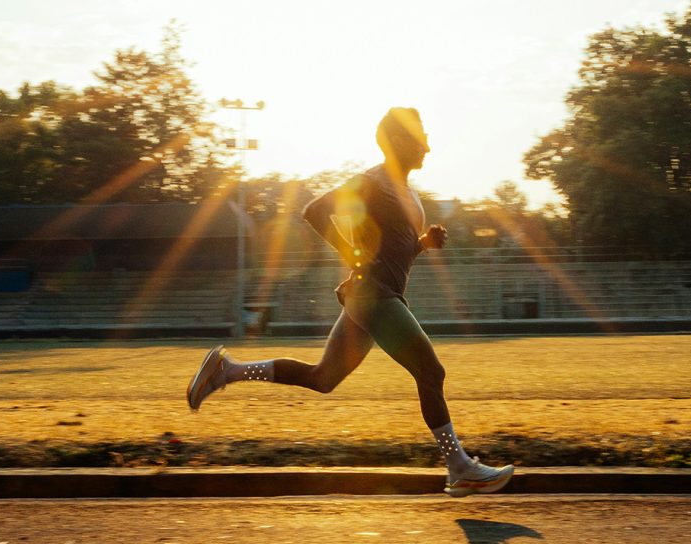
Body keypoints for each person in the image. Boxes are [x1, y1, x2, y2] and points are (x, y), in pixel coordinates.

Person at [187, 107, 513, 497]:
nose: (427, 144)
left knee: (322, 378)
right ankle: (458, 465)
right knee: (431, 372)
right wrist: (352, 255)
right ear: (397, 141)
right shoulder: (373, 182)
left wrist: (422, 245)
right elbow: (316, 211)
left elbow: (392, 249)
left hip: (375, 294)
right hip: (374, 295)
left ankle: (227, 370)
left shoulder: (406, 192)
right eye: (419, 135)